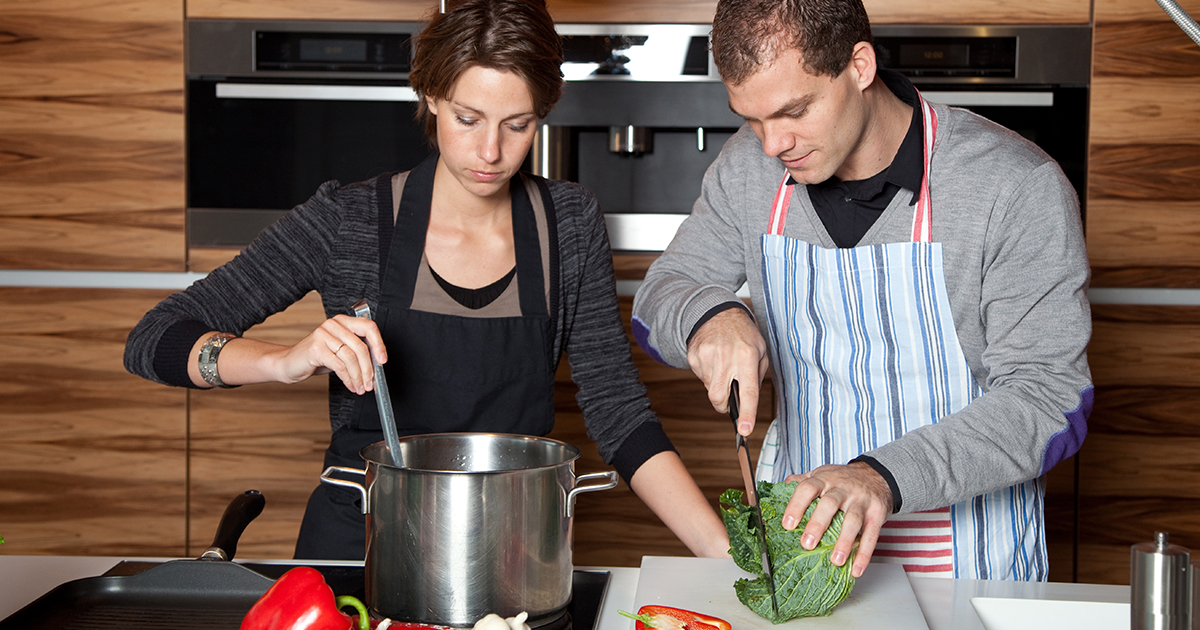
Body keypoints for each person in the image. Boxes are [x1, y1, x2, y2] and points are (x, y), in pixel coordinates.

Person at [124, 0, 728, 560]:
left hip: (508, 553)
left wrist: (726, 561)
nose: (489, 151)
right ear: (431, 95)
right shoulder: (349, 220)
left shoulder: (569, 225)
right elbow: (153, 340)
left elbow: (619, 413)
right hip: (358, 546)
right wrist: (284, 361)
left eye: (517, 125)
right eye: (468, 118)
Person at [632, 0, 1092, 581]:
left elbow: (1050, 399)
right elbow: (659, 296)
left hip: (972, 565)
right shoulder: (748, 170)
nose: (772, 144)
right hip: (807, 558)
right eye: (751, 119)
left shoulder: (1013, 186)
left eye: (794, 110)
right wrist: (710, 315)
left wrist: (879, 477)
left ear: (859, 66)